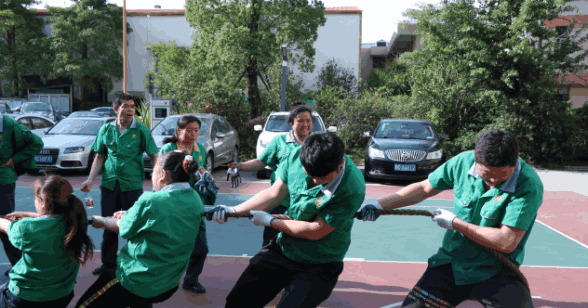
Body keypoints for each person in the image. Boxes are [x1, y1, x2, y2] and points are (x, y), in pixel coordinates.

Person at [359, 129, 543, 308]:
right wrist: (379, 205)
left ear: (517, 158)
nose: (493, 182)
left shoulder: (528, 185)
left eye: (501, 176)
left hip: (497, 270)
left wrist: (456, 224)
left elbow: (506, 241)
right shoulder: (462, 162)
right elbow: (424, 188)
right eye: (486, 176)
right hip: (451, 263)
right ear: (475, 156)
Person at [209, 132, 365, 308]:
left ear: (341, 164)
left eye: (322, 178)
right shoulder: (297, 156)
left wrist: (270, 221)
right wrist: (233, 211)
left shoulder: (352, 187)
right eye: (310, 175)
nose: (315, 181)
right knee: (238, 301)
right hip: (284, 248)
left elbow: (316, 230)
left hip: (321, 262)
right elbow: (274, 193)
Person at [76, 151, 204, 308]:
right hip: (168, 282)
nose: (152, 177)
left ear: (163, 175)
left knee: (84, 304)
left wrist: (101, 221)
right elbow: (162, 220)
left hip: (136, 280)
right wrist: (129, 214)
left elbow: (123, 229)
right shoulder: (195, 199)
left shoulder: (151, 200)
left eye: (153, 172)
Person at [81, 93, 159, 276]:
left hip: (132, 186)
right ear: (116, 109)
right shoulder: (106, 130)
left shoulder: (141, 131)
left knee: (134, 226)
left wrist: (158, 182)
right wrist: (90, 179)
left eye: (132, 106)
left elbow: (155, 156)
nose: (130, 109)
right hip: (109, 185)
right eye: (126, 105)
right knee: (109, 225)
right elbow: (100, 156)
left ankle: (135, 263)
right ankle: (108, 265)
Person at [0, 175, 94, 307]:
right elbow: (51, 218)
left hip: (25, 296)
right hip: (61, 295)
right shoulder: (75, 221)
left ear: (43, 202)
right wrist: (26, 214)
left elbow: (5, 226)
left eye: (35, 199)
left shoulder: (25, 228)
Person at [228, 105, 314, 247]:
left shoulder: (316, 143)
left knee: (301, 244)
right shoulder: (279, 142)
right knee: (271, 244)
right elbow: (260, 162)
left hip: (305, 204)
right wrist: (238, 165)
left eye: (308, 120)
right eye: (300, 120)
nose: (305, 124)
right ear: (291, 123)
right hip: (279, 202)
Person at [158, 115, 215, 294]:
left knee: (201, 247)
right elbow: (159, 175)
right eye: (188, 130)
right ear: (178, 131)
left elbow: (202, 170)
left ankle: (191, 280)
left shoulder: (201, 150)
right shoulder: (169, 148)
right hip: (171, 202)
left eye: (196, 130)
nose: (192, 134)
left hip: (193, 203)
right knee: (168, 247)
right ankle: (162, 280)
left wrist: (206, 177)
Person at [0, 114, 44, 275]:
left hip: (3, 180)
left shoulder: (7, 125)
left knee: (5, 224)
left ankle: (19, 267)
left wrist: (14, 159)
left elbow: (37, 143)